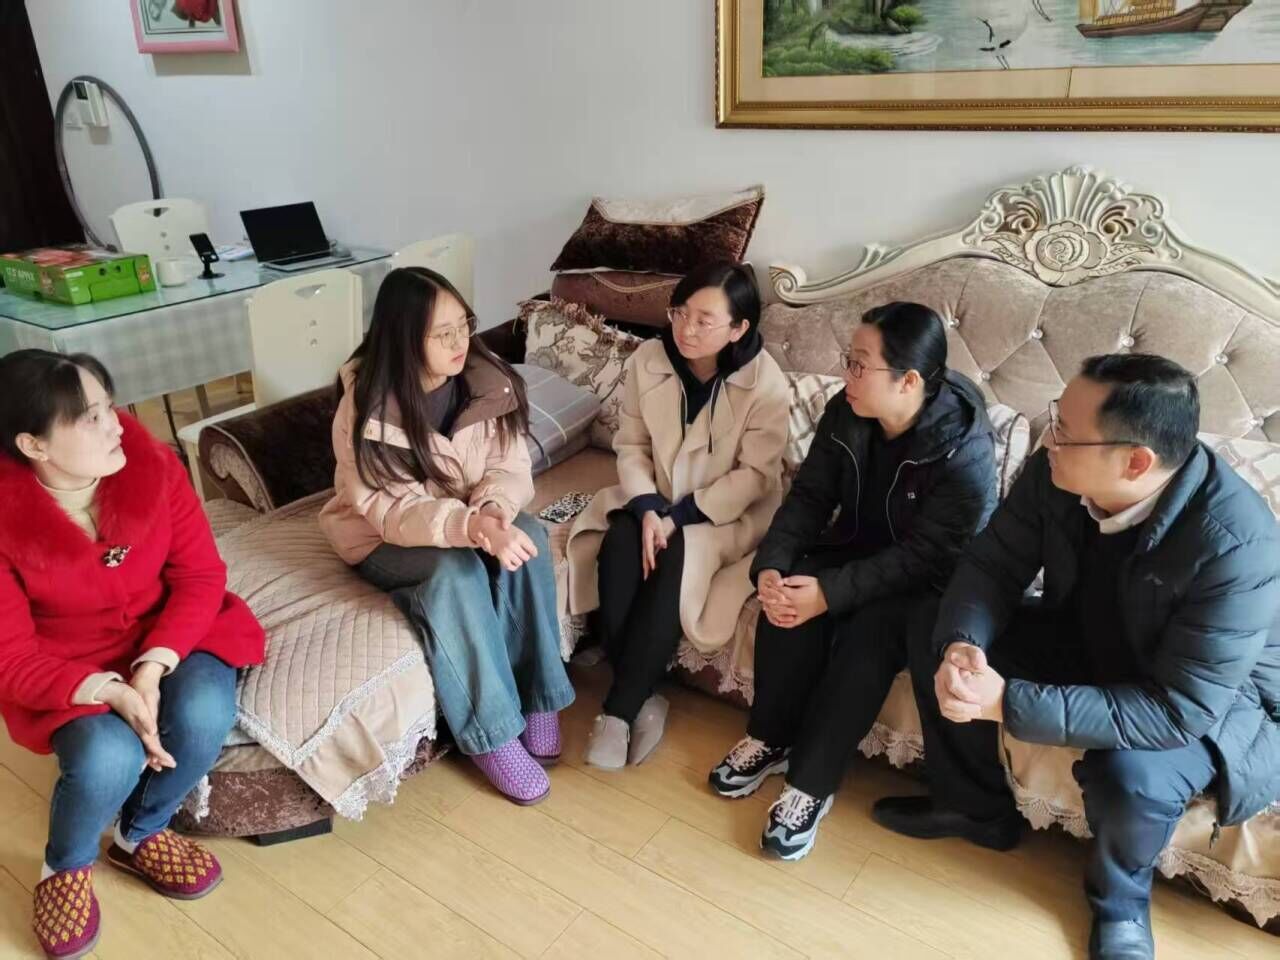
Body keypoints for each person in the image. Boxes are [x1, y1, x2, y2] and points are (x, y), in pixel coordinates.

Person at [873, 354, 1280, 960]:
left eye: (1065, 431)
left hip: (1210, 703)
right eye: (1055, 419)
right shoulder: (1056, 472)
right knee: (936, 621)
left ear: (1136, 461)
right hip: (1088, 634)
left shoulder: (1237, 543)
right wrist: (965, 645)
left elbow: (1178, 709)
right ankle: (973, 809)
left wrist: (1007, 702)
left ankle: (1120, 905)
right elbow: (993, 563)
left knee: (1130, 775)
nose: (1049, 439)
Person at [706, 302, 998, 861]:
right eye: (849, 360)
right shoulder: (847, 410)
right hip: (856, 546)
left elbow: (928, 555)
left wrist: (831, 594)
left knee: (868, 638)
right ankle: (771, 738)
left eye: (861, 365)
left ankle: (810, 786)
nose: (847, 375)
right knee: (787, 597)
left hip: (927, 580)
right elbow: (811, 494)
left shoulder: (965, 448)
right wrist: (773, 564)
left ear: (909, 381)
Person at [0, 350, 265, 960]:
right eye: (89, 418)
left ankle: (139, 833)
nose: (116, 424)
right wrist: (109, 689)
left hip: (170, 629)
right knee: (105, 757)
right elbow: (10, 657)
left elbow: (200, 575)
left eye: (109, 405)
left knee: (203, 712)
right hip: (67, 663)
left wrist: (152, 666)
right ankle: (64, 866)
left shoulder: (152, 465)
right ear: (33, 445)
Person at [320, 266, 573, 806]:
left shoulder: (487, 379)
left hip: (468, 517)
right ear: (403, 338)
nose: (460, 341)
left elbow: (509, 465)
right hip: (381, 535)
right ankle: (492, 735)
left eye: (464, 324)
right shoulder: (368, 409)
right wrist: (472, 528)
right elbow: (392, 511)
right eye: (443, 333)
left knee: (528, 535)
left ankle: (539, 698)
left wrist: (493, 512)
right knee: (453, 571)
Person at [566, 261, 789, 769]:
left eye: (704, 320)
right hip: (656, 495)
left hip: (726, 513)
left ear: (738, 328)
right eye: (680, 313)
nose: (686, 329)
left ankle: (618, 710)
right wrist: (648, 508)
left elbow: (755, 476)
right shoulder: (649, 359)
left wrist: (678, 517)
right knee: (621, 540)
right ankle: (645, 696)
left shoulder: (765, 383)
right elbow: (631, 444)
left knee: (678, 552)